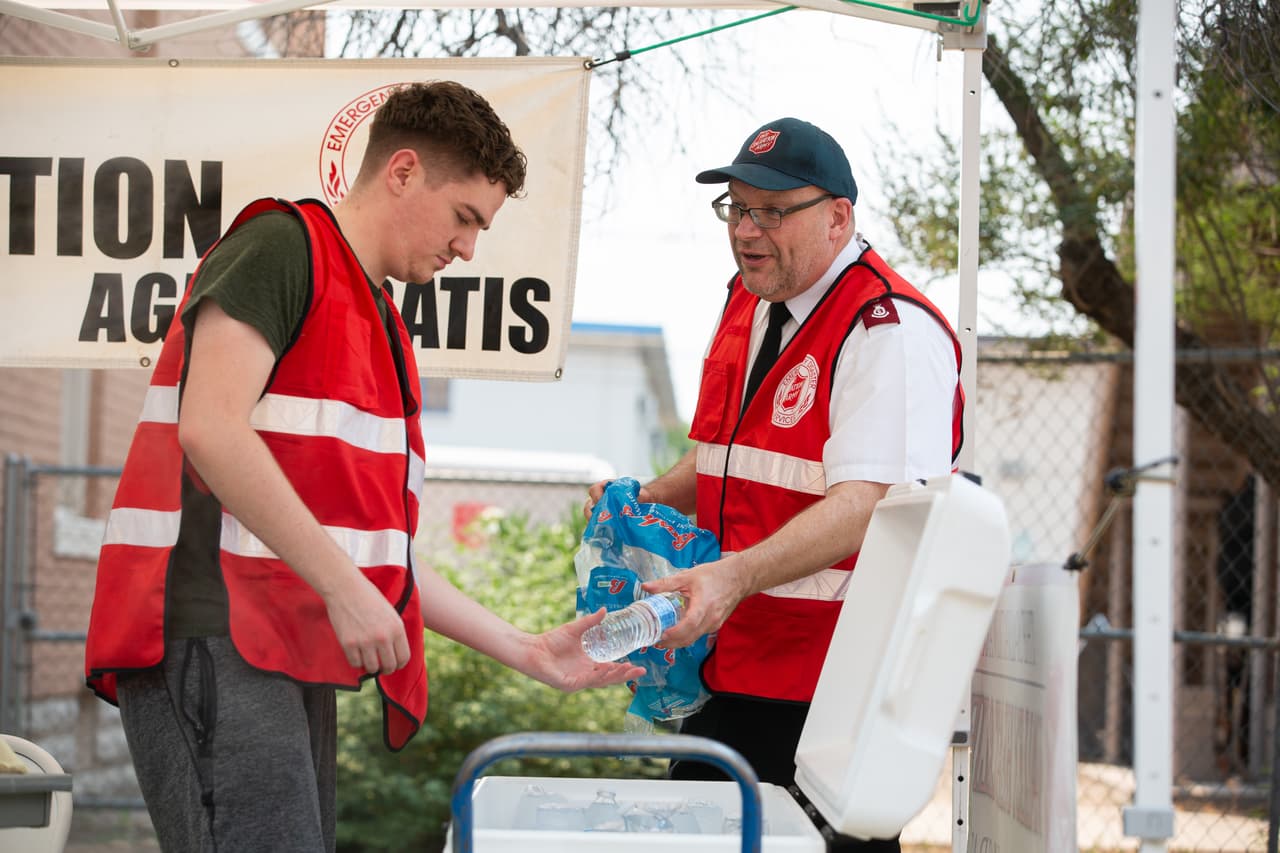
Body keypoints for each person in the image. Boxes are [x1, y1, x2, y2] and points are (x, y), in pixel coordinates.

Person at [84, 81, 643, 853]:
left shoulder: (377, 315)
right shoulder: (282, 245)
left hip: (273, 640)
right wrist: (346, 590)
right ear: (403, 171)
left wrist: (528, 649)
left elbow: (382, 554)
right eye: (464, 217)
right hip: (208, 629)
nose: (468, 248)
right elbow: (210, 427)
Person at [586, 117, 963, 852]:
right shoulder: (748, 299)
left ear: (838, 217)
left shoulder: (888, 329)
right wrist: (644, 498)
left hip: (827, 689)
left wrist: (732, 575)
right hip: (728, 663)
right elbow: (724, 456)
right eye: (736, 209)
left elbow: (868, 507)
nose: (745, 231)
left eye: (771, 211)